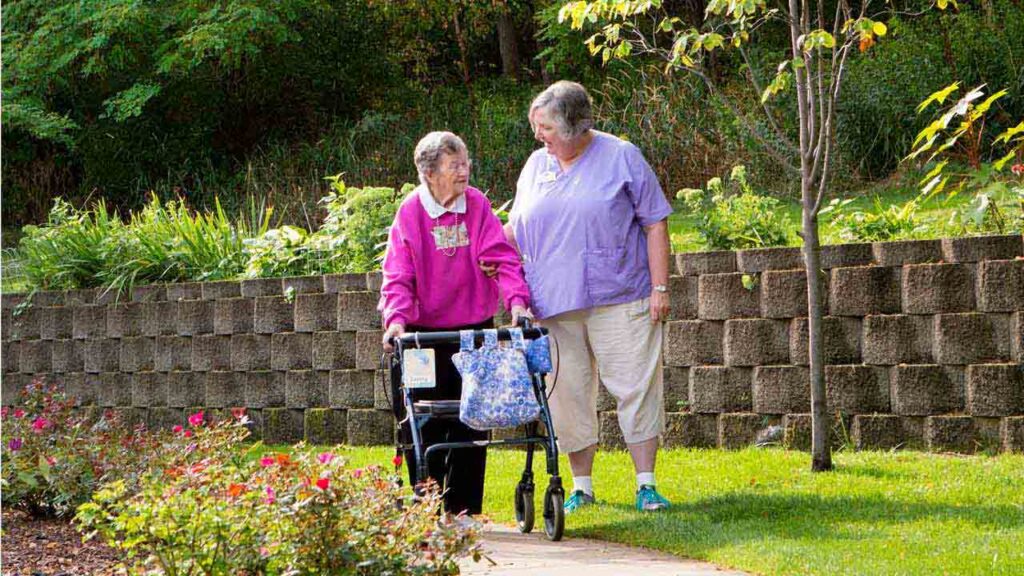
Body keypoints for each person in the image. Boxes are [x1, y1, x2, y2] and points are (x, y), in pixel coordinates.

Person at [501, 81, 674, 512]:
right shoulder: (534, 166)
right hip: (552, 304)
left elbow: (655, 223)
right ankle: (581, 486)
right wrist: (482, 251)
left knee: (635, 386)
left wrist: (660, 287)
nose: (539, 135)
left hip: (620, 294)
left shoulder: (621, 156)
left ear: (579, 127)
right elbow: (514, 229)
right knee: (566, 394)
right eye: (536, 126)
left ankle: (646, 484)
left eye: (547, 128)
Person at [379, 131, 531, 516]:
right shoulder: (411, 213)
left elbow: (502, 259)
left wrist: (517, 304)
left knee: (472, 419)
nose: (464, 172)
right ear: (430, 173)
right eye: (455, 165)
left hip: (472, 329)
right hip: (421, 336)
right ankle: (425, 506)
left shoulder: (476, 205)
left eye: (466, 163)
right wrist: (396, 321)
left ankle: (463, 511)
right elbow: (398, 274)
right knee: (421, 422)